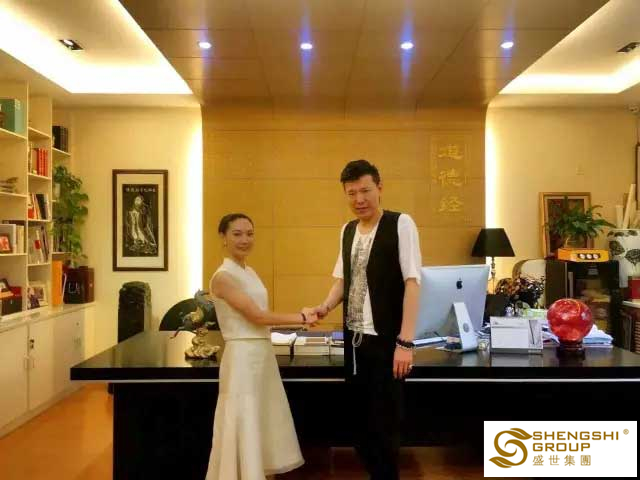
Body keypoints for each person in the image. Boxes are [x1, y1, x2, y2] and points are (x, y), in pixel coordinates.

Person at [311, 159, 422, 480]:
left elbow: (412, 282)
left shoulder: (400, 224)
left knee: (385, 427)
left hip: (387, 342)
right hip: (355, 341)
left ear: (379, 188)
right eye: (351, 193)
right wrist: (324, 307)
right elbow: (343, 280)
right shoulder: (347, 230)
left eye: (365, 191)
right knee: (360, 426)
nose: (359, 199)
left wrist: (405, 342)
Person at [206, 213, 316, 480]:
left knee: (261, 417)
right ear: (223, 238)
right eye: (237, 234)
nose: (245, 239)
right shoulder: (222, 277)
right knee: (243, 416)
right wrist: (301, 318)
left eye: (250, 234)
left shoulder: (249, 271)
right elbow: (256, 316)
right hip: (242, 356)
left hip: (261, 353)